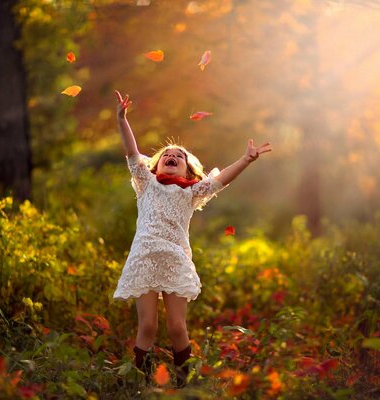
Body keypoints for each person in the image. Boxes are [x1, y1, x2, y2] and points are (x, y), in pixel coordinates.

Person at [112, 90, 272, 386]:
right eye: (166, 157)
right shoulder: (145, 183)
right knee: (147, 325)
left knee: (176, 327)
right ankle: (139, 383)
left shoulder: (191, 193)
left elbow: (220, 179)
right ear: (155, 166)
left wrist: (246, 160)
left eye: (178, 157)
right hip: (145, 257)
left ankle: (185, 383)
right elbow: (132, 151)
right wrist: (122, 120)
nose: (171, 158)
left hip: (174, 258)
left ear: (188, 169)